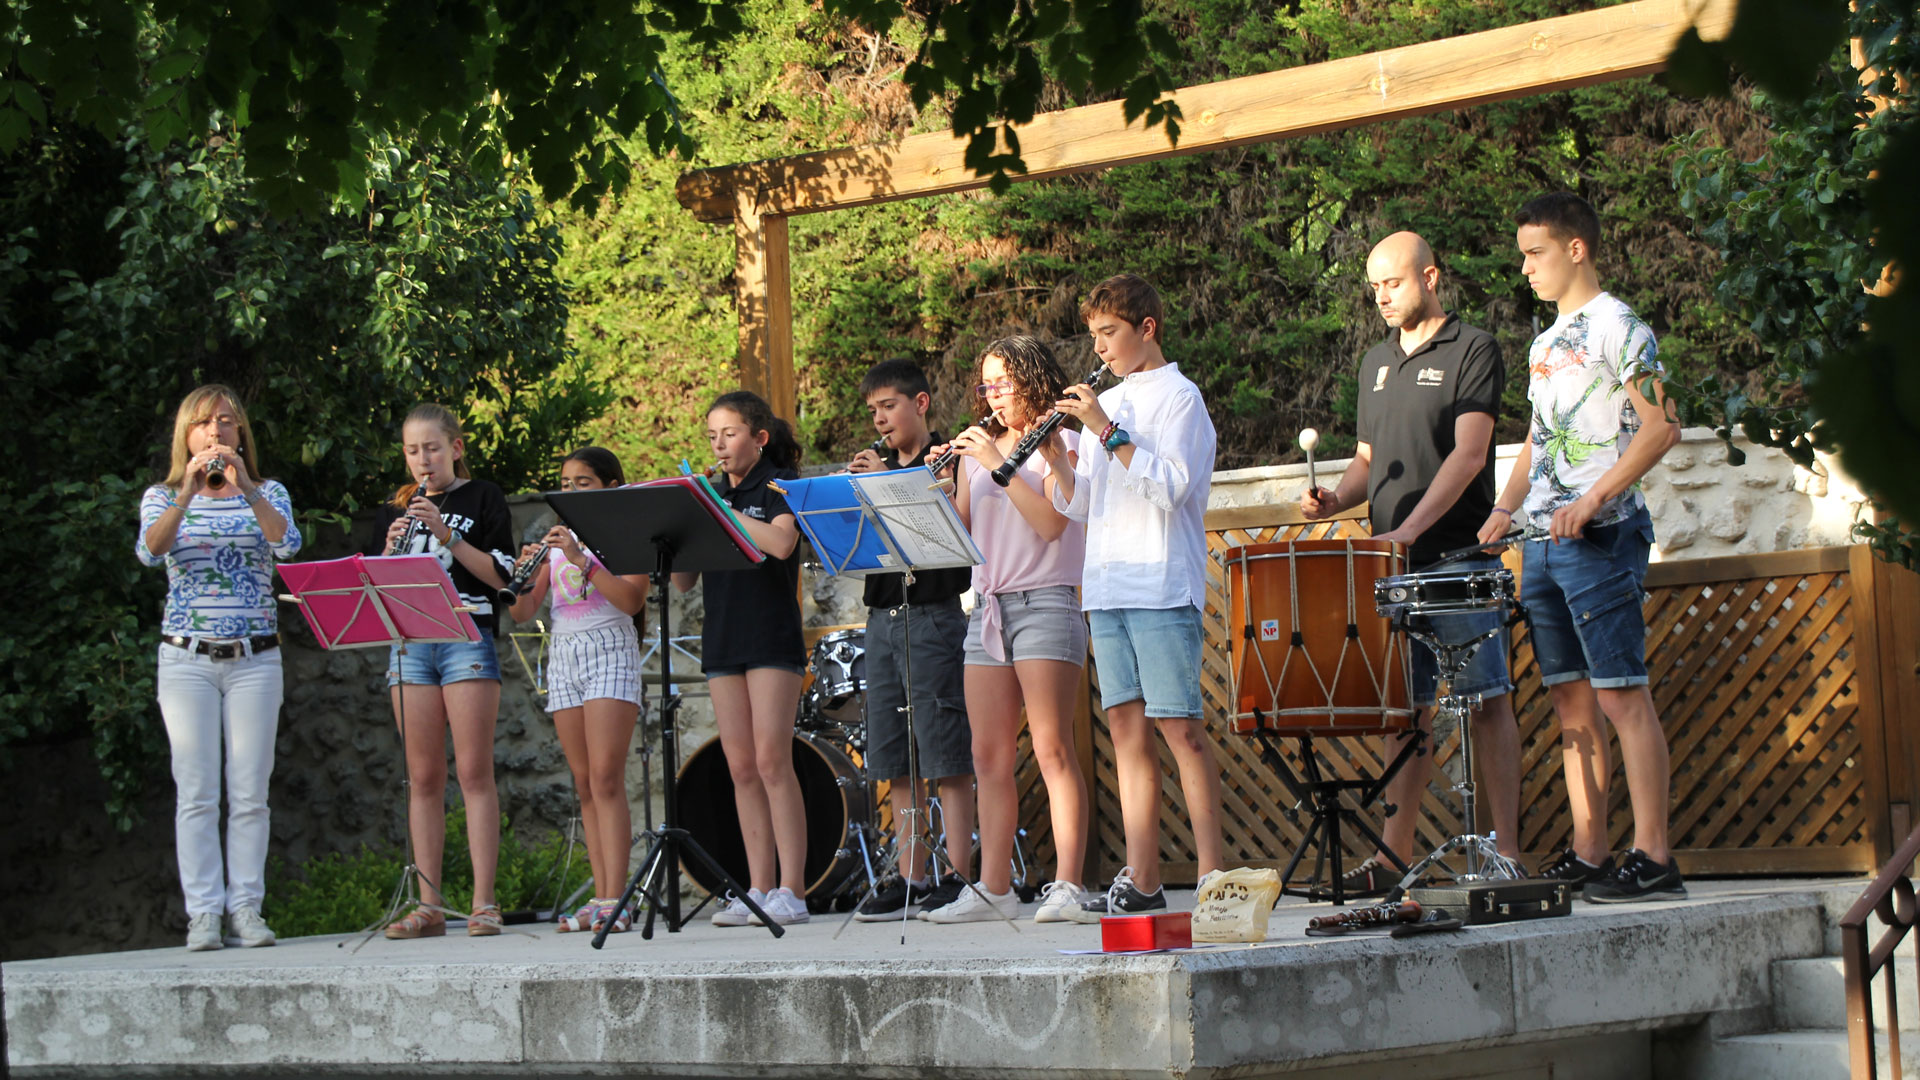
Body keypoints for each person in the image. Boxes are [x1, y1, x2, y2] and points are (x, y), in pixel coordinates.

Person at [1300, 231, 1522, 896]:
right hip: (1393, 566)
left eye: (1393, 283)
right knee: (1407, 713)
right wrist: (1336, 497)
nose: (1382, 297)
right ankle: (1393, 861)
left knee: (1487, 703)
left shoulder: (1473, 348)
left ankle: (1504, 854)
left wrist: (1411, 529)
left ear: (1431, 275)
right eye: (1374, 287)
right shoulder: (1373, 362)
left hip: (1454, 556)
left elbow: (1470, 454)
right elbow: (1369, 460)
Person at [1479, 192, 1685, 902]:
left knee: (1622, 695)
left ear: (1576, 248)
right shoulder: (1544, 343)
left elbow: (1661, 427)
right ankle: (1590, 851)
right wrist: (1505, 508)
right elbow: (1540, 438)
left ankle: (1654, 855)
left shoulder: (1622, 327)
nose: (1526, 269)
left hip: (1602, 534)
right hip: (1541, 540)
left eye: (1535, 253)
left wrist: (1593, 501)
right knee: (1570, 701)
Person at [1040, 273, 1226, 921]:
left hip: (1161, 581)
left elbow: (1172, 487)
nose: (1102, 348)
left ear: (1147, 329)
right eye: (1094, 336)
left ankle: (1213, 876)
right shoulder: (1106, 404)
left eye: (1110, 333)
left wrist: (1106, 428)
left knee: (1179, 727)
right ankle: (1143, 876)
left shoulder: (1181, 399)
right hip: (1108, 584)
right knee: (1124, 730)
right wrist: (1061, 459)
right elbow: (1086, 503)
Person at [925, 336, 1093, 924]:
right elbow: (960, 537)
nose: (992, 396)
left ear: (1031, 379)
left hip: (1046, 601)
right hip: (988, 609)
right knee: (988, 754)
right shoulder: (977, 451)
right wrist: (937, 491)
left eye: (1003, 383)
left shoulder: (1060, 440)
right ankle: (992, 887)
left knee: (1051, 747)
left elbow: (1051, 524)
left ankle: (1068, 885)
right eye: (986, 386)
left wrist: (999, 465)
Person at [138, 385, 303, 952]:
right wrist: (188, 491)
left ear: (241, 435)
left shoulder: (269, 492)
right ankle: (203, 914)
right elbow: (150, 550)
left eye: (227, 423)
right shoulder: (162, 495)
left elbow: (287, 544)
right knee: (197, 792)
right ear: (187, 435)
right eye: (205, 424)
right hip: (187, 660)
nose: (216, 433)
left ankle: (247, 909)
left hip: (255, 658)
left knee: (251, 791)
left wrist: (247, 488)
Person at [673, 391, 812, 926]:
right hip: (724, 638)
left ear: (758, 437)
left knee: (774, 760)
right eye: (712, 436)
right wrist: (688, 519)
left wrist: (720, 511)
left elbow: (780, 545)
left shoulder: (777, 485)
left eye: (729, 434)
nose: (719, 445)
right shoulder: (712, 493)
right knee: (741, 766)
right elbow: (684, 579)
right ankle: (758, 886)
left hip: (770, 637)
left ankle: (793, 890)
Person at [847, 359, 979, 922]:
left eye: (889, 407)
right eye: (873, 410)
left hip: (932, 614)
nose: (880, 419)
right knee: (895, 757)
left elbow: (946, 544)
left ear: (920, 404)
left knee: (944, 749)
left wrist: (885, 483)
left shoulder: (950, 458)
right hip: (882, 615)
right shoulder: (872, 468)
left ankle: (959, 874)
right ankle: (908, 879)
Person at [378, 403, 515, 938]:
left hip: (466, 636)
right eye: (412, 451)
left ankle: (484, 903)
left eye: (431, 448)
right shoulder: (396, 508)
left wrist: (450, 535)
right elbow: (379, 593)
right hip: (410, 645)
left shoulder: (484, 497)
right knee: (423, 777)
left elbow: (503, 578)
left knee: (474, 772)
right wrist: (388, 556)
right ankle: (428, 905)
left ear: (455, 447)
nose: (421, 460)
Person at [507, 447, 649, 935]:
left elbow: (631, 599)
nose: (570, 492)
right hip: (565, 655)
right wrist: (522, 574)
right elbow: (523, 613)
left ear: (610, 487)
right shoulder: (554, 541)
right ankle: (599, 894)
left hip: (610, 650)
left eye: (582, 482)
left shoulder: (627, 533)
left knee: (608, 777)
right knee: (585, 782)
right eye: (565, 483)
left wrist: (579, 559)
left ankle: (618, 897)